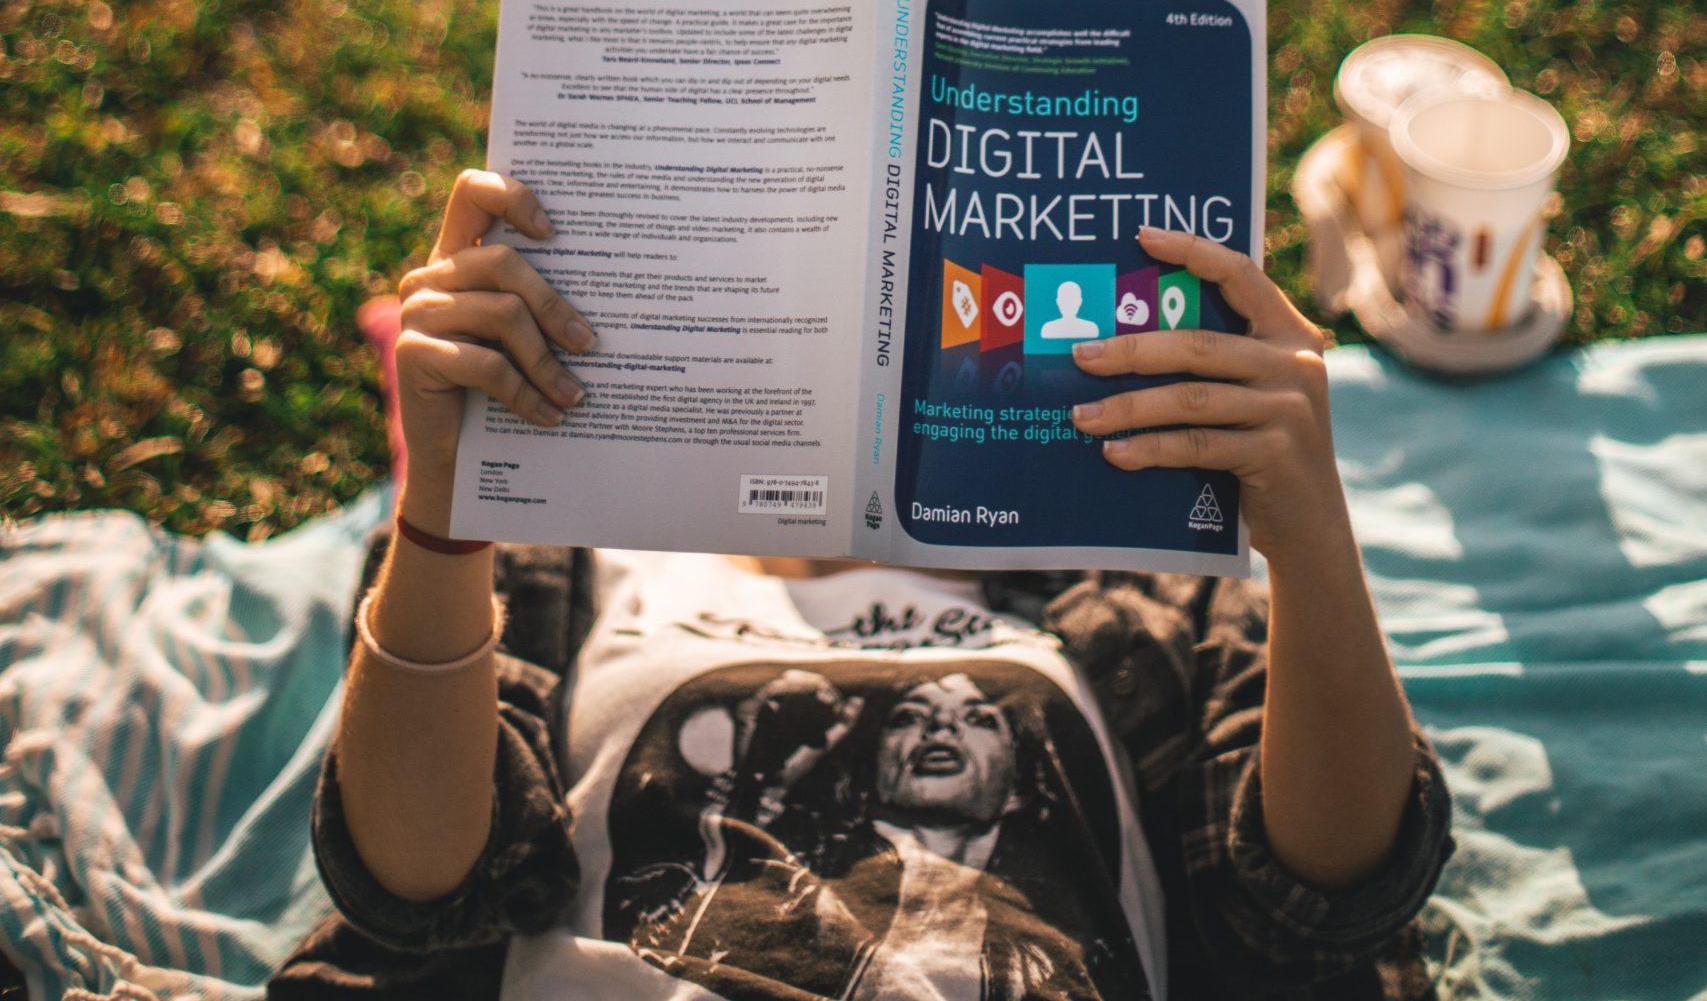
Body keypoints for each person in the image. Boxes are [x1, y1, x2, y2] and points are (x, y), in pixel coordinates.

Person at [272, 176, 1452, 1000]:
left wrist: (1312, 538)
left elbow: (1325, 894)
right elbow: (408, 884)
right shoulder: (554, 552)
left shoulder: (1129, 562)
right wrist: (443, 508)